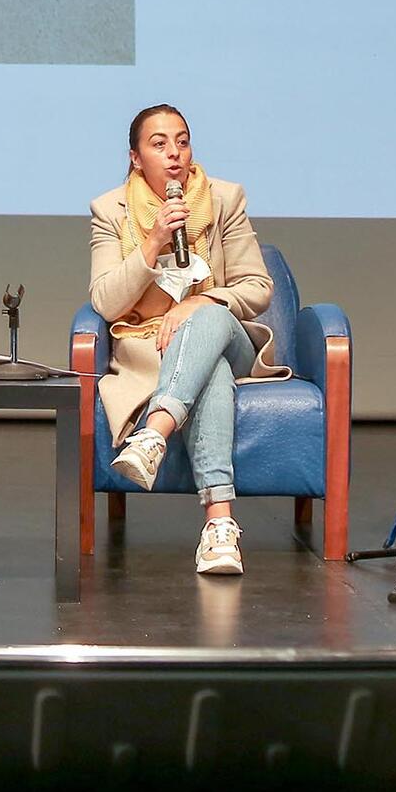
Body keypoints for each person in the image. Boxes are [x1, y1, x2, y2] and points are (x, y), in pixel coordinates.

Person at [87, 104, 291, 576]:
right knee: (211, 370)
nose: (174, 154)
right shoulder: (109, 210)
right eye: (159, 144)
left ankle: (153, 434)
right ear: (136, 157)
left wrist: (199, 303)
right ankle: (220, 527)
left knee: (208, 322)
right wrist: (153, 242)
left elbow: (257, 288)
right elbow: (105, 301)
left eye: (182, 141)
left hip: (231, 337)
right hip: (151, 346)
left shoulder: (223, 198)